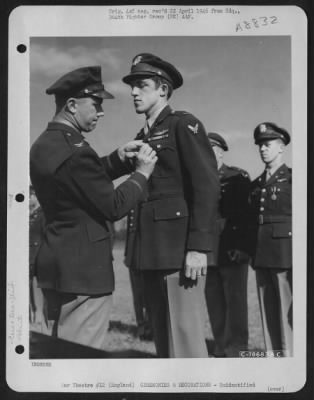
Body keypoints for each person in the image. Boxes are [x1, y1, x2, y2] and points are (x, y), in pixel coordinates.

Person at [30, 65, 157, 350]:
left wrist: (117, 159)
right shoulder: (76, 150)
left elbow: (77, 181)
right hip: (85, 273)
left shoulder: (46, 144)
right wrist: (141, 174)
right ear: (72, 105)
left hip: (59, 262)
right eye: (96, 104)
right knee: (78, 358)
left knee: (60, 349)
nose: (101, 112)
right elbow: (113, 206)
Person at [122, 53, 220, 358]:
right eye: (133, 86)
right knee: (165, 346)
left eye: (142, 85)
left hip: (178, 254)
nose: (133, 92)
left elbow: (206, 185)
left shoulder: (183, 125)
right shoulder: (142, 136)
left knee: (186, 344)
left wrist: (198, 247)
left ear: (163, 89)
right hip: (149, 253)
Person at [205, 132, 251, 357]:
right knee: (214, 301)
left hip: (232, 248)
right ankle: (221, 345)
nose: (209, 154)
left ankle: (237, 347)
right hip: (208, 250)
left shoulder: (238, 177)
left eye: (213, 149)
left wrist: (243, 247)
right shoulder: (200, 177)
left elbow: (245, 217)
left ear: (221, 151)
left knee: (235, 301)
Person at [248, 122, 292, 356]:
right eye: (260, 146)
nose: (263, 149)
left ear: (281, 147)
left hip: (285, 254)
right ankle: (272, 357)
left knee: (286, 311)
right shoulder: (256, 185)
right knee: (268, 311)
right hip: (261, 254)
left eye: (267, 144)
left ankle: (289, 357)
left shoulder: (292, 179)